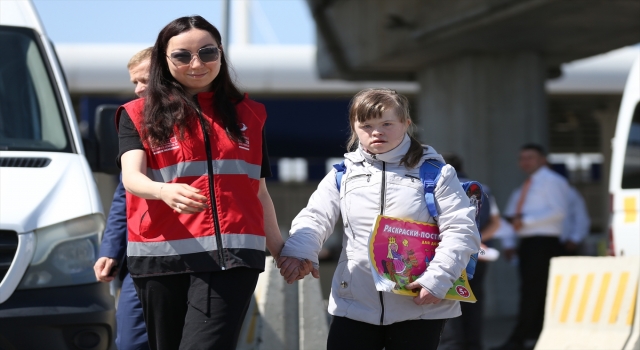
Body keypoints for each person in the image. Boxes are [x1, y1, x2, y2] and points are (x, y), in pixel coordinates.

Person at [116, 16, 302, 349]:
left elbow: (257, 191)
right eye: (182, 56)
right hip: (161, 257)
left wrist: (281, 251)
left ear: (221, 53)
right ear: (164, 59)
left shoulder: (251, 114)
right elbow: (131, 178)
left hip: (232, 259)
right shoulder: (136, 114)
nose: (197, 63)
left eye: (207, 52)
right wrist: (164, 191)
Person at [278, 88, 481, 350]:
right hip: (353, 303)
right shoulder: (342, 175)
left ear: (406, 124)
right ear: (354, 127)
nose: (377, 132)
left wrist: (438, 279)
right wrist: (298, 251)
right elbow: (315, 218)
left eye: (387, 123)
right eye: (366, 125)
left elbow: (461, 229)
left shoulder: (438, 173)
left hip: (419, 303)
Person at [93, 47, 152, 350]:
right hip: (141, 259)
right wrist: (110, 251)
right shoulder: (134, 121)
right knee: (130, 342)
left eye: (145, 81)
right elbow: (124, 196)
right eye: (134, 83)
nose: (138, 90)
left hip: (194, 257)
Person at [495, 143, 571, 350]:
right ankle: (532, 337)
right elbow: (511, 217)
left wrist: (525, 221)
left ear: (542, 160)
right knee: (532, 292)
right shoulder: (524, 186)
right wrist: (509, 242)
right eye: (522, 158)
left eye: (530, 157)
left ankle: (521, 339)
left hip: (545, 244)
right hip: (529, 244)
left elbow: (559, 212)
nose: (525, 162)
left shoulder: (553, 181)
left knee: (535, 293)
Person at [439, 153, 502, 350]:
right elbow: (496, 223)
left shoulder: (440, 187)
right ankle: (473, 344)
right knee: (474, 299)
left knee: (449, 299)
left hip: (448, 253)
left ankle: (453, 345)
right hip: (477, 255)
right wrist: (477, 241)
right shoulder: (483, 189)